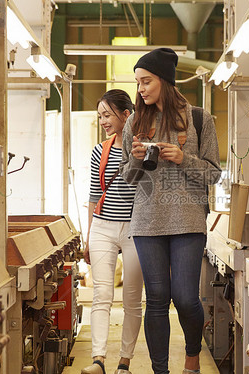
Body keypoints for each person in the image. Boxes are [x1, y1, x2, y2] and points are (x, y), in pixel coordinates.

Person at [119, 48, 222, 374]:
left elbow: (213, 173)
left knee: (186, 297)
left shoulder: (199, 119)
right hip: (148, 223)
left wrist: (181, 158)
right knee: (158, 298)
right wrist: (137, 158)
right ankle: (159, 370)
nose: (141, 89)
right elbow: (128, 178)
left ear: (164, 80)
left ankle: (192, 357)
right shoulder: (134, 122)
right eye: (137, 83)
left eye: (146, 81)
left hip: (188, 220)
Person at [83, 89, 143, 374]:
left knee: (132, 298)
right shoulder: (100, 150)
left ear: (126, 114)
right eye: (100, 116)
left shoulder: (144, 149)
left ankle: (124, 362)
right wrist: (88, 235)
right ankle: (98, 359)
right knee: (101, 294)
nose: (103, 121)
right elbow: (94, 195)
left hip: (135, 229)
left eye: (107, 115)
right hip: (103, 227)